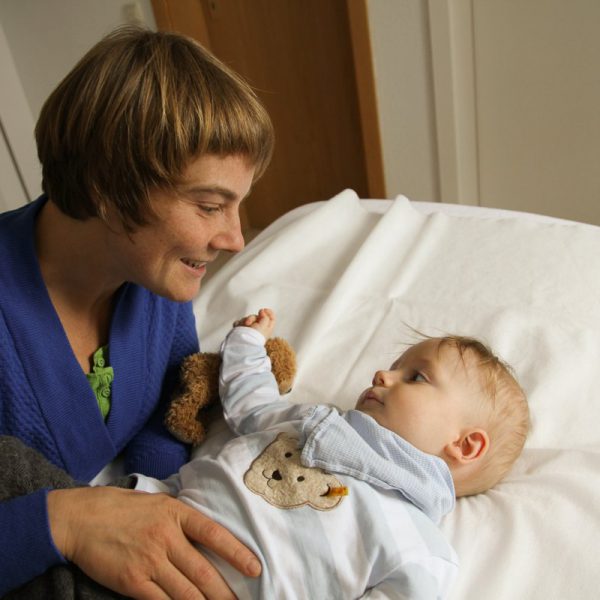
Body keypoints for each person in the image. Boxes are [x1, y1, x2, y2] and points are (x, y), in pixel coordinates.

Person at [0, 25, 274, 598]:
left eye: (238, 206)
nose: (234, 239)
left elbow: (171, 402)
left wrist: (154, 494)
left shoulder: (155, 286)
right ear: (107, 188)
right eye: (209, 206)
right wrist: (64, 521)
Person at [129, 308, 529, 598]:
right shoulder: (318, 421)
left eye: (416, 376)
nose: (382, 374)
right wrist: (247, 344)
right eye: (394, 366)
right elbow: (253, 403)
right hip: (147, 526)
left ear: (465, 445)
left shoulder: (420, 548)